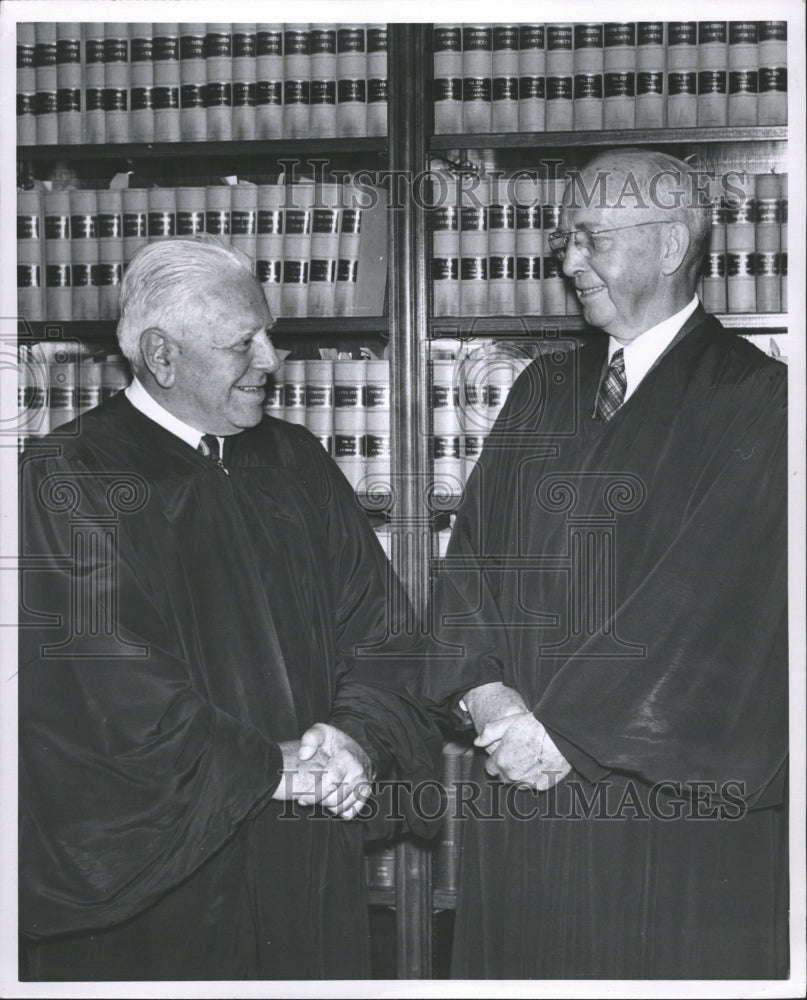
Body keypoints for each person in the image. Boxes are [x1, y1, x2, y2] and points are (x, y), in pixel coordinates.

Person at [18, 236, 441, 981]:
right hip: (169, 872)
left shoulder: (295, 460)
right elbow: (103, 686)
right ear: (162, 355)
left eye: (267, 333)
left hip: (308, 843)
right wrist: (268, 768)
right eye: (242, 342)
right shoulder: (72, 476)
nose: (271, 359)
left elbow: (383, 634)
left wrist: (357, 742)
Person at [421, 148, 788, 979]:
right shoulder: (542, 390)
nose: (568, 261)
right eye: (564, 241)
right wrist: (488, 699)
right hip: (518, 783)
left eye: (588, 238)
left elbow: (722, 613)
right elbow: (472, 560)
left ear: (666, 246)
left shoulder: (761, 405)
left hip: (663, 808)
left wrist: (566, 734)